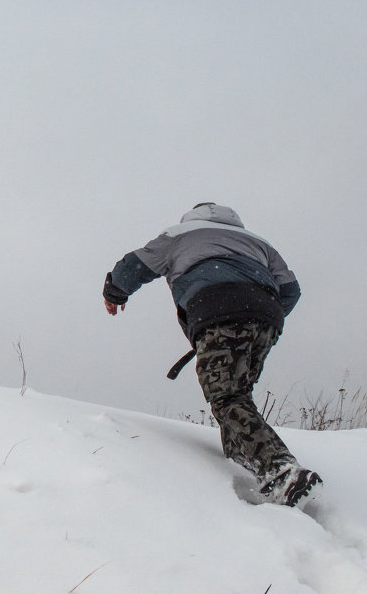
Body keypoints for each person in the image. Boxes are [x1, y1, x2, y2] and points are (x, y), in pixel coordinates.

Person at [102, 202, 322, 507]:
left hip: (217, 309)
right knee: (237, 392)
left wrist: (114, 292)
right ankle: (242, 459)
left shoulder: (179, 234)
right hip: (266, 318)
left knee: (226, 395)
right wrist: (257, 314)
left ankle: (280, 469)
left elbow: (135, 266)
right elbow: (291, 290)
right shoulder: (259, 243)